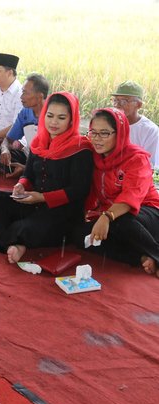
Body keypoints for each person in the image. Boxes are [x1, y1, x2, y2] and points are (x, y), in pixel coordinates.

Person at [0, 92, 93, 263]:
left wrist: (42, 197)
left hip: (61, 212)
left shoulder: (81, 149)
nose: (53, 122)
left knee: (23, 227)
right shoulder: (39, 141)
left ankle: (15, 241)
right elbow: (28, 174)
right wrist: (21, 185)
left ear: (71, 120)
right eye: (50, 115)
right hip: (34, 202)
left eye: (61, 118)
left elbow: (79, 190)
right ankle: (16, 240)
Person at [70, 108, 159, 278]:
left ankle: (156, 255)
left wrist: (106, 217)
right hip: (112, 216)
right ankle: (140, 257)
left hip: (147, 213)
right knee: (80, 235)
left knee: (120, 221)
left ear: (120, 134)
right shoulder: (95, 157)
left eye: (104, 133)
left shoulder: (136, 158)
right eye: (93, 132)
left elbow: (131, 196)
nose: (97, 139)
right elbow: (91, 193)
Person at [0, 73, 49, 177]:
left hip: (47, 161)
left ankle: (22, 171)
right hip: (28, 156)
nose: (21, 97)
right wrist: (5, 150)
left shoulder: (51, 115)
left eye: (25, 93)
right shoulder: (25, 112)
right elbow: (8, 139)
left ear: (40, 97)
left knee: (46, 169)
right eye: (22, 92)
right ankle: (20, 170)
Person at [110, 81, 159, 167]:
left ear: (139, 105)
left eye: (124, 101)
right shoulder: (109, 122)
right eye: (115, 100)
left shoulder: (150, 130)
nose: (117, 105)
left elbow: (150, 164)